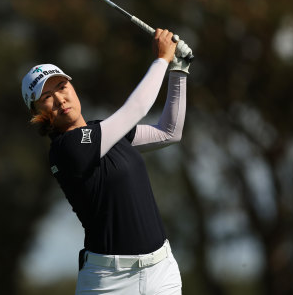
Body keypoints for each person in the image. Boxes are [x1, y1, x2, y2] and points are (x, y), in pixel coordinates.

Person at [21, 29, 192, 295]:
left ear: (72, 87)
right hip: (110, 282)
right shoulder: (66, 149)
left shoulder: (103, 131)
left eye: (62, 87)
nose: (60, 99)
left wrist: (179, 71)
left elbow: (169, 132)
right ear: (36, 112)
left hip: (162, 271)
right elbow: (136, 109)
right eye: (46, 97)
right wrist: (162, 60)